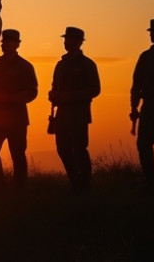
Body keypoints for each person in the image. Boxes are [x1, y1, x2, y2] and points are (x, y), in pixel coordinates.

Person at [0, 29, 38, 193]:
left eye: (9, 42)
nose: (5, 44)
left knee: (18, 154)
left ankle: (20, 189)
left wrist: (11, 98)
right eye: (4, 42)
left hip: (16, 117)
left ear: (17, 44)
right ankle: (0, 187)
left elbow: (32, 91)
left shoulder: (25, 67)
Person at [48, 26, 100, 193]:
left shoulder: (87, 64)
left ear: (78, 42)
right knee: (62, 149)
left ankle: (84, 185)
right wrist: (53, 95)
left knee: (79, 149)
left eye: (69, 39)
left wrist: (70, 96)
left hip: (79, 114)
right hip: (62, 113)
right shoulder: (60, 65)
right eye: (65, 39)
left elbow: (95, 89)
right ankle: (76, 182)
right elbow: (54, 87)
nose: (66, 42)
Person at [129, 18, 154, 191]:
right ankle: (151, 183)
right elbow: (136, 84)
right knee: (143, 145)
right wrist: (134, 107)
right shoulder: (146, 57)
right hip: (150, 106)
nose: (153, 35)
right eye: (152, 32)